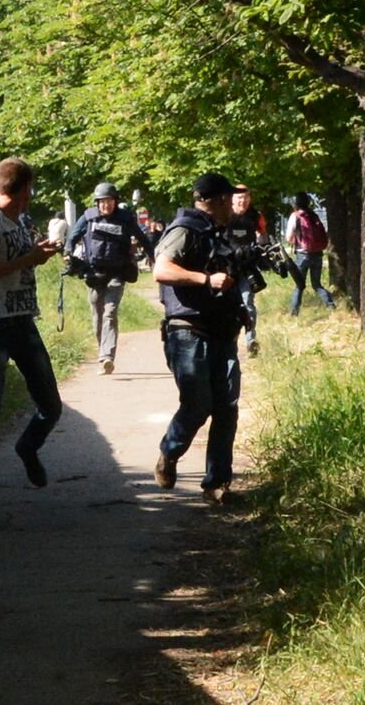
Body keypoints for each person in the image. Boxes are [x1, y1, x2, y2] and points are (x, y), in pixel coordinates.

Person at [0, 157, 63, 519]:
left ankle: (27, 447)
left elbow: (21, 257)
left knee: (51, 405)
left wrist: (37, 252)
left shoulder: (20, 220)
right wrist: (28, 258)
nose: (31, 196)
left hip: (22, 321)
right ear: (24, 190)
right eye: (31, 190)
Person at [152, 173, 245, 505]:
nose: (233, 208)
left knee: (226, 408)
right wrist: (206, 279)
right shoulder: (185, 230)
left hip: (222, 331)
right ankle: (170, 450)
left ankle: (217, 484)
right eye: (228, 201)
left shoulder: (218, 234)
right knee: (198, 404)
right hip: (188, 332)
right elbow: (161, 269)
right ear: (218, 200)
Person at [64, 182, 152, 375]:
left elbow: (142, 238)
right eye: (102, 202)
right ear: (97, 203)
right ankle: (102, 351)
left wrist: (153, 255)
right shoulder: (88, 217)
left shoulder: (125, 219)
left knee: (110, 312)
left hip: (117, 273)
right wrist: (68, 252)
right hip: (94, 273)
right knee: (97, 314)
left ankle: (107, 356)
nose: (106, 205)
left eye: (109, 201)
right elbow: (72, 237)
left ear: (115, 201)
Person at [228, 183, 267, 355]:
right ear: (232, 199)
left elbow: (263, 234)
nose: (242, 201)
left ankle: (251, 340)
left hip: (247, 268)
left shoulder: (255, 215)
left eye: (245, 197)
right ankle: (230, 340)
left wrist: (262, 251)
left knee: (248, 303)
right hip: (227, 268)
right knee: (228, 305)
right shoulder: (225, 215)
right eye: (239, 198)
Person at [284, 192, 335, 315]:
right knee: (317, 285)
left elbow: (288, 238)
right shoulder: (314, 215)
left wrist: (296, 241)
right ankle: (331, 306)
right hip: (317, 254)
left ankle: (294, 312)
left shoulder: (295, 216)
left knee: (299, 285)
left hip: (303, 255)